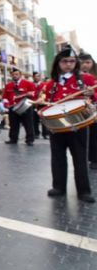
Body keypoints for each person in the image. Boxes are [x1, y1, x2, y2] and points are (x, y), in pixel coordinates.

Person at [40, 46, 95, 203]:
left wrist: (92, 94)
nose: (69, 64)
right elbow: (47, 103)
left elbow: (94, 97)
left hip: (78, 125)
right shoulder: (51, 84)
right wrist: (41, 109)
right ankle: (59, 187)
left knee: (80, 158)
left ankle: (84, 191)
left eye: (72, 61)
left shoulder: (86, 80)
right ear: (58, 63)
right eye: (65, 61)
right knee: (57, 157)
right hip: (57, 126)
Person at [3, 68, 36, 146]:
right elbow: (5, 97)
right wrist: (6, 105)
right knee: (13, 124)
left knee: (28, 124)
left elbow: (33, 94)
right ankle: (13, 139)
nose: (15, 76)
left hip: (25, 107)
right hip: (12, 107)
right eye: (13, 74)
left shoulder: (28, 83)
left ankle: (30, 140)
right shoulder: (8, 85)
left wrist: (29, 94)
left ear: (20, 75)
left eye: (16, 74)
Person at [79, 53, 97, 169]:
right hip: (80, 109)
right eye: (82, 62)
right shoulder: (76, 77)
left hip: (94, 108)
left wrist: (93, 94)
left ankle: (94, 159)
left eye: (88, 62)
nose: (85, 65)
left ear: (92, 63)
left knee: (95, 135)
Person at [32, 71, 49, 140]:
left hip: (42, 104)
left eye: (38, 76)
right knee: (34, 120)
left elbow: (46, 93)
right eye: (36, 76)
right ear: (33, 77)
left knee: (44, 120)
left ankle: (45, 134)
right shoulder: (30, 84)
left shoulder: (44, 85)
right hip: (33, 104)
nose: (37, 77)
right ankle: (36, 133)